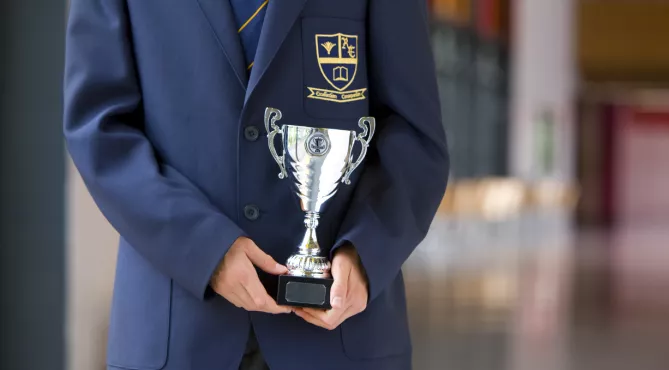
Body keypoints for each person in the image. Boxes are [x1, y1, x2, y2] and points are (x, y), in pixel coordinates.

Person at [63, 0, 449, 369]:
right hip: (177, 331)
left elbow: (414, 137)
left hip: (339, 332)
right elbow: (99, 130)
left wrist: (366, 251)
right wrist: (204, 249)